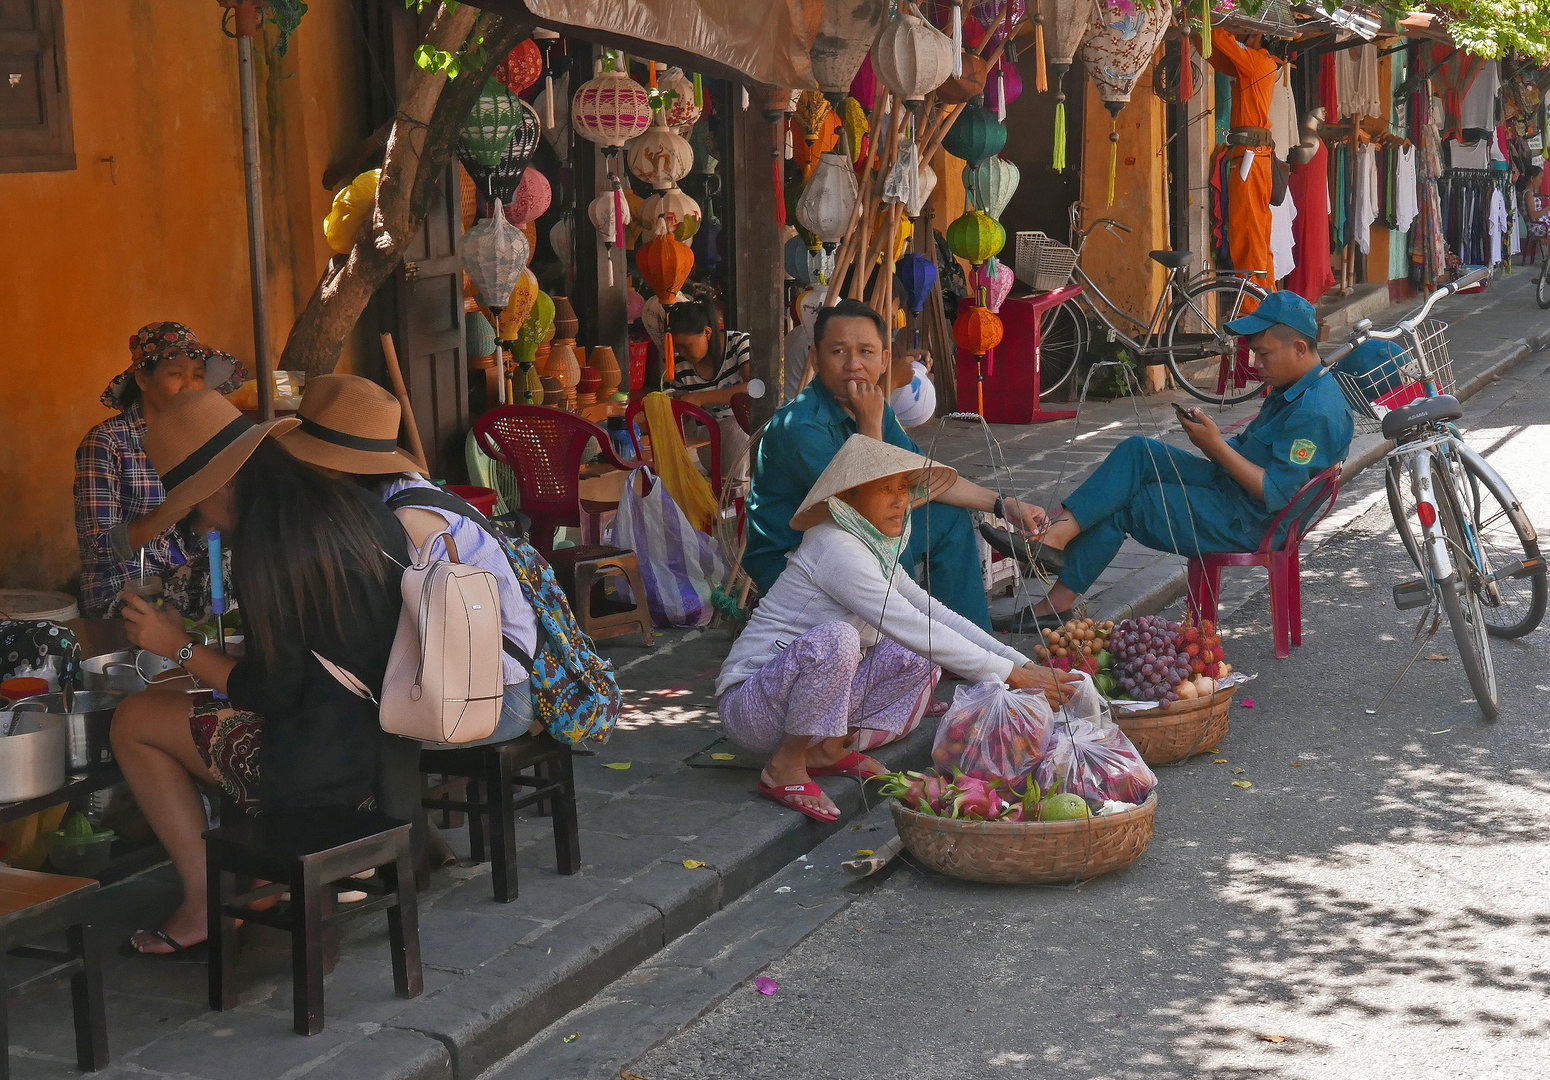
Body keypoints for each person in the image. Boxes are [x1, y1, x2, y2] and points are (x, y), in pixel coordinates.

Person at [110, 390, 408, 956]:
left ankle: (203, 905)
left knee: (133, 720)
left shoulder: (268, 543)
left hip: (317, 767)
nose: (201, 520)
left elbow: (272, 693)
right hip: (383, 740)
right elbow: (320, 646)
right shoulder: (353, 505)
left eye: (196, 505)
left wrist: (177, 648)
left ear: (219, 487)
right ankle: (260, 882)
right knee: (186, 700)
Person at [720, 436, 1080, 820]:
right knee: (840, 639)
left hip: (800, 697)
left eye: (904, 488)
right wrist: (1014, 675)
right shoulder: (835, 546)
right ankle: (784, 767)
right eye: (883, 490)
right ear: (851, 498)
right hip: (751, 704)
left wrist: (1021, 664)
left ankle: (824, 749)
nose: (898, 501)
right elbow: (907, 623)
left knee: (919, 655)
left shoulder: (875, 545)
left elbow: (932, 615)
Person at [1014, 291, 1353, 628]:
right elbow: (1246, 449)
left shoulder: (1315, 412)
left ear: (1298, 348)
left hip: (1248, 522)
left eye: (1263, 354)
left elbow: (1273, 492)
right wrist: (1208, 440)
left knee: (1128, 504)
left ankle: (1055, 602)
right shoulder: (1290, 387)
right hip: (1231, 490)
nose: (1256, 364)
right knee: (1138, 452)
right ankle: (1056, 539)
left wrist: (1215, 446)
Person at [743, 298, 1046, 630]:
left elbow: (924, 474)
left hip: (848, 546)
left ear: (885, 360)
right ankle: (906, 644)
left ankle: (972, 639)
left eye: (866, 352)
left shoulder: (871, 405)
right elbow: (863, 515)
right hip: (794, 561)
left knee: (944, 518)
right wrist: (870, 425)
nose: (853, 364)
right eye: (838, 352)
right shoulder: (800, 426)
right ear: (815, 358)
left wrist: (1003, 504)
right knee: (890, 522)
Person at [280, 373, 541, 745]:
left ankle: (379, 800)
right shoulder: (400, 489)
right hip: (484, 679)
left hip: (495, 698)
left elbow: (383, 632)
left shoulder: (406, 523)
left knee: (329, 727)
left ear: (334, 467)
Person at [74, 322, 244, 616]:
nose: (189, 385)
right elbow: (99, 548)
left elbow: (193, 538)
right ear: (142, 378)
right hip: (121, 592)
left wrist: (210, 518)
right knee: (227, 571)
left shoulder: (197, 438)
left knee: (251, 560)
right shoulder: (107, 442)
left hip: (183, 576)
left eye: (198, 376)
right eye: (176, 374)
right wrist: (174, 507)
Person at [664, 299, 753, 479]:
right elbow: (682, 416)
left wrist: (700, 398)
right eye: (677, 347)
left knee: (737, 429)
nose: (681, 353)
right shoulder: (680, 365)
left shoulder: (739, 344)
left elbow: (752, 388)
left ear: (707, 332)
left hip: (746, 435)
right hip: (708, 442)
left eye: (686, 345)